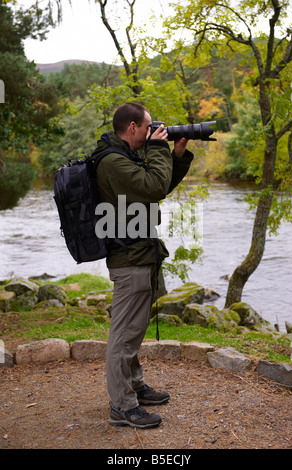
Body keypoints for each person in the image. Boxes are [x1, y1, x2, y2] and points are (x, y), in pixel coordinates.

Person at [94, 102, 194, 429]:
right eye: (148, 127)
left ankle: (133, 386)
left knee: (132, 332)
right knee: (123, 336)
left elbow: (155, 189)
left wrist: (175, 156)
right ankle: (122, 407)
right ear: (133, 127)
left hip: (140, 255)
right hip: (129, 259)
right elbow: (153, 186)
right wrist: (159, 148)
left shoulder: (124, 156)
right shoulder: (112, 162)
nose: (152, 133)